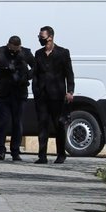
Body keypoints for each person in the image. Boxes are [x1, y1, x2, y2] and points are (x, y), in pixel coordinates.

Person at [0, 35, 35, 161]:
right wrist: (6, 66)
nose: (14, 51)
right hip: (3, 93)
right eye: (12, 48)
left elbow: (36, 67)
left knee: (17, 123)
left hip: (19, 92)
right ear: (8, 45)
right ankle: (1, 151)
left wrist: (26, 77)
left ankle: (15, 151)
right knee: (2, 122)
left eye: (16, 49)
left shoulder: (26, 52)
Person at [31, 25, 74, 164]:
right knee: (42, 125)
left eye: (42, 37)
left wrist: (70, 91)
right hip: (42, 96)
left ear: (50, 37)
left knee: (58, 125)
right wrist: (35, 91)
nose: (40, 39)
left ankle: (61, 154)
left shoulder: (63, 53)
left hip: (57, 95)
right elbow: (35, 74)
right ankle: (42, 156)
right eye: (39, 37)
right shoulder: (38, 53)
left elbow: (69, 73)